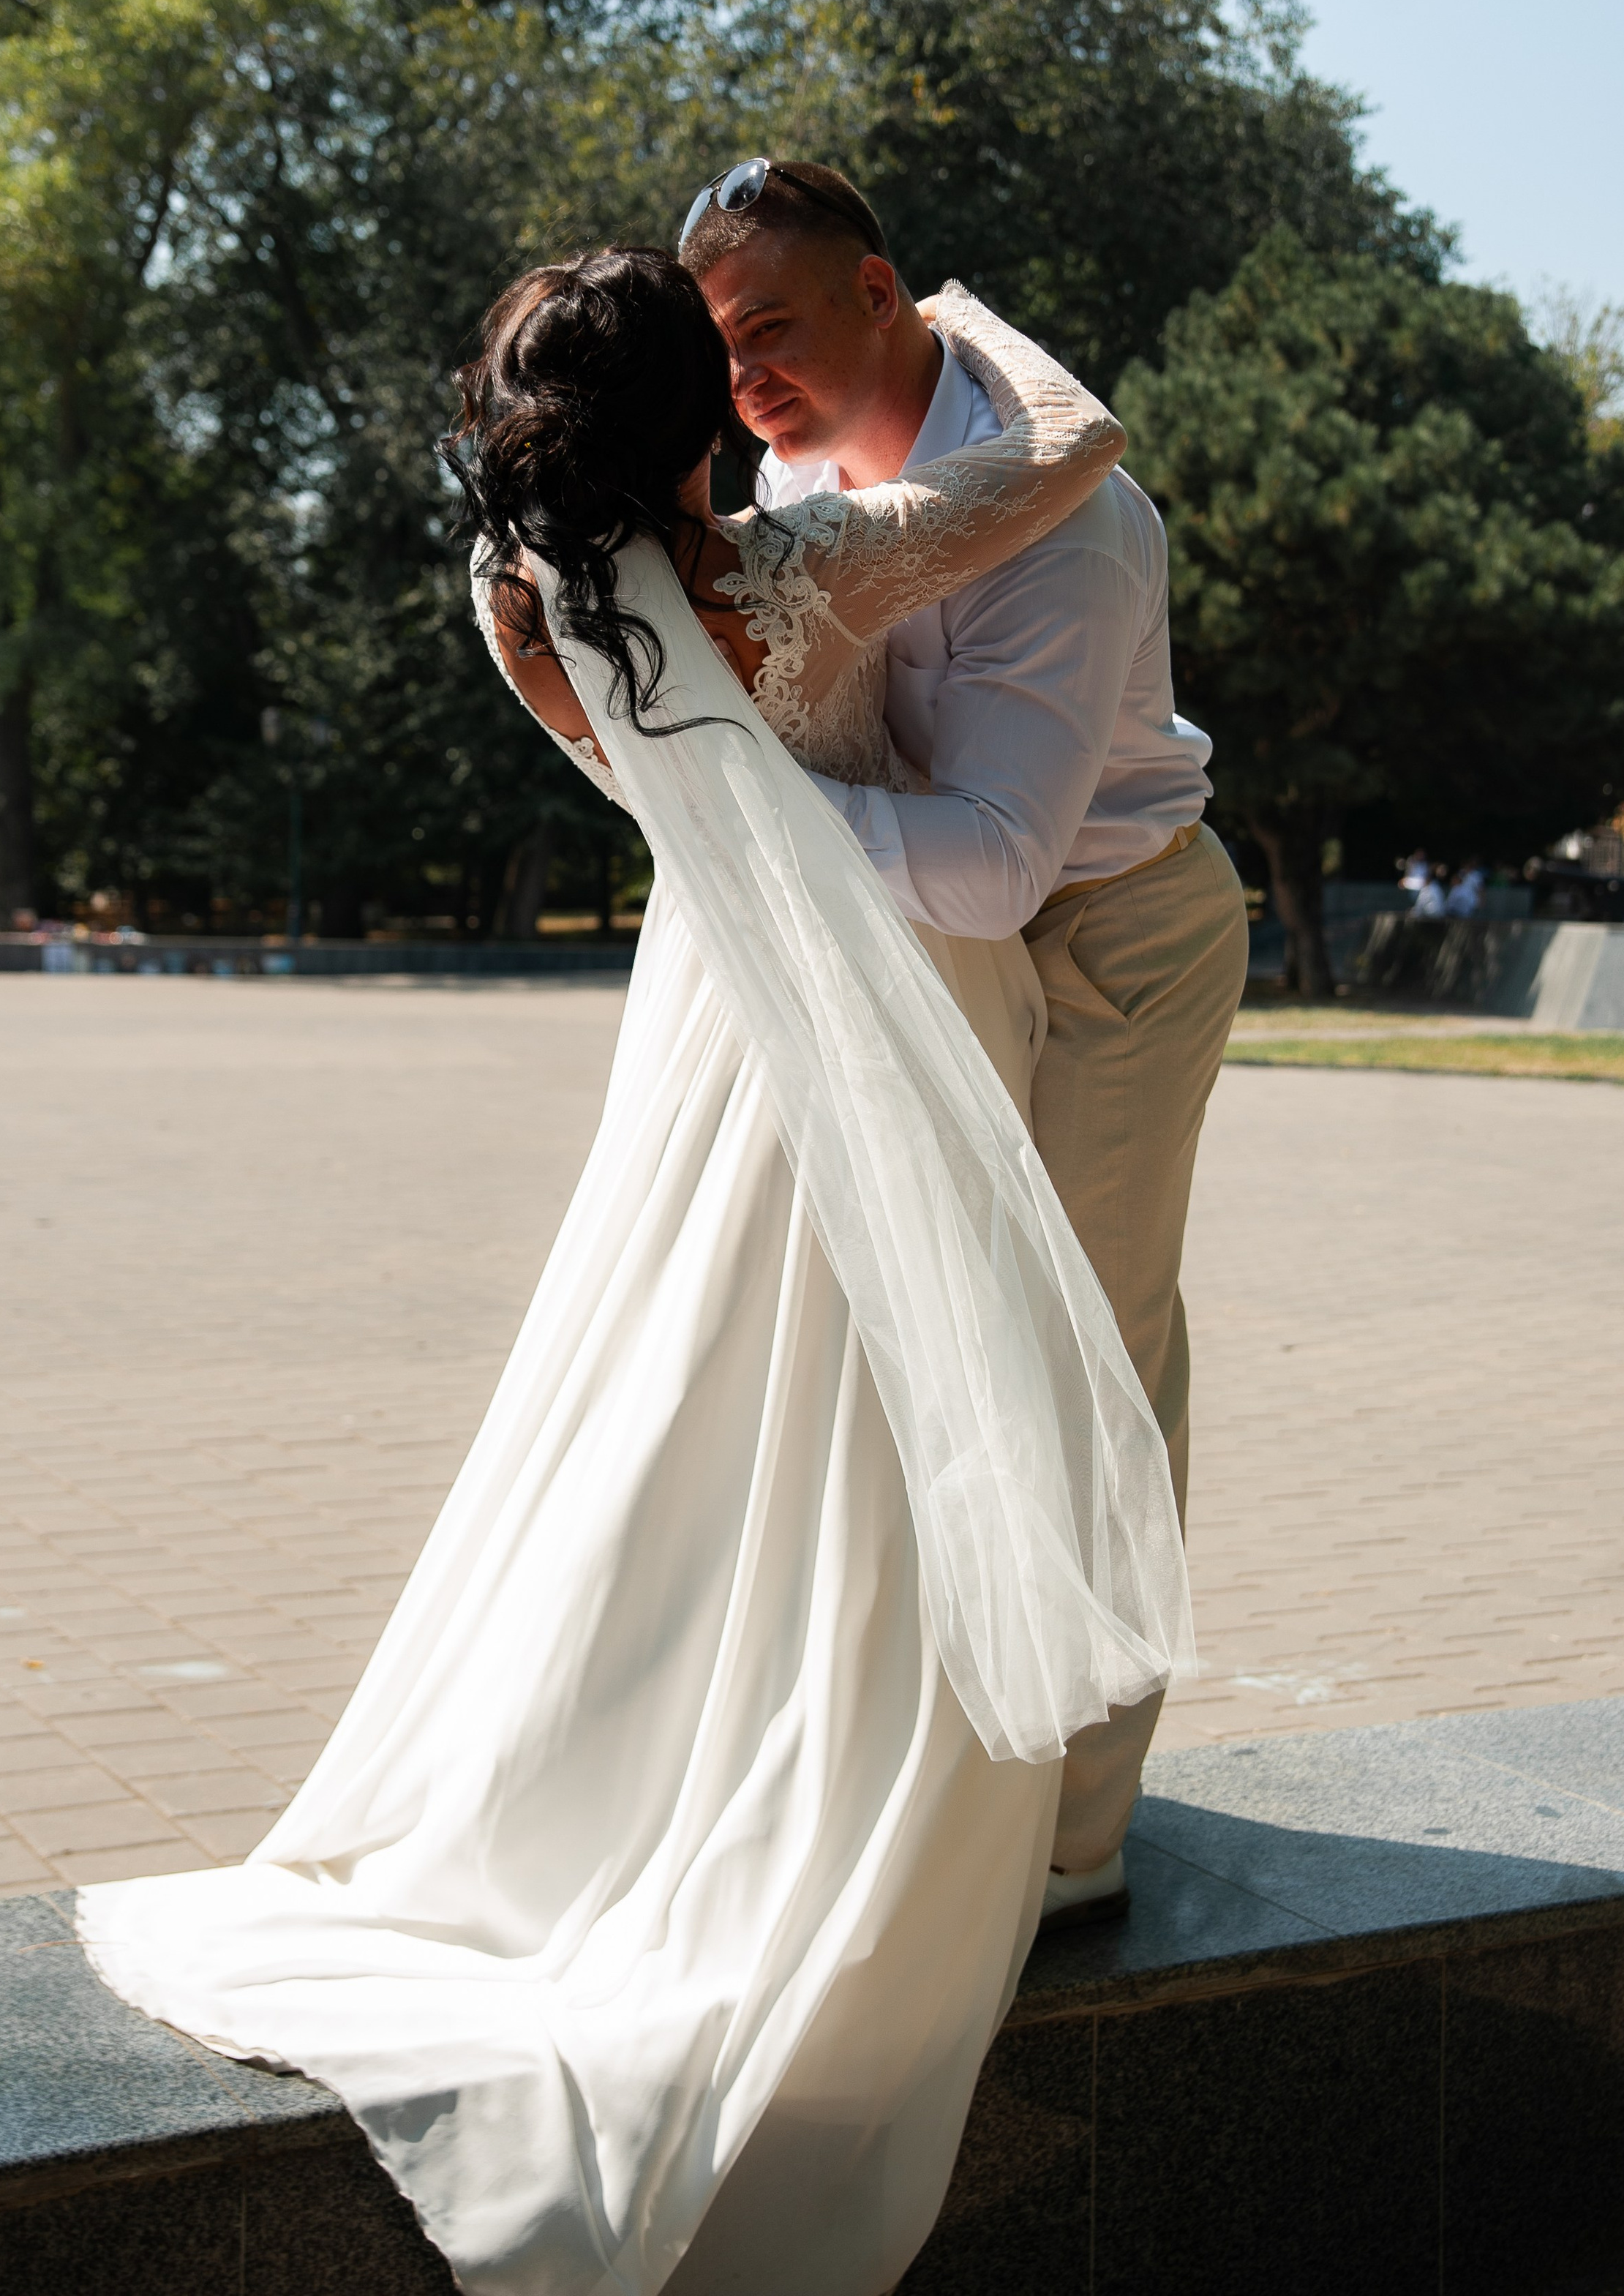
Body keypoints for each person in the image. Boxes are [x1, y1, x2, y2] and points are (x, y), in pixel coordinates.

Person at [79, 244, 1192, 2296]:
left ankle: (652, 1782)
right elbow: (1071, 451)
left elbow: (672, 803)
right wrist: (951, 313)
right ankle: (919, 1815)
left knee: (671, 1392)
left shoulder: (518, 605)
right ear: (698, 420)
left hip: (717, 1008)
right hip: (914, 1005)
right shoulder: (812, 571)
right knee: (891, 1403)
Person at [683, 161, 1249, 1927]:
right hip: (920, 946)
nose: (745, 376)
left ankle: (1075, 1827)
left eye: (768, 324)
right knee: (915, 1347)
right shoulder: (784, 475)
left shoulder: (1072, 520)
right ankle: (925, 1773)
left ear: (877, 290)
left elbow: (1002, 863)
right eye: (716, 347)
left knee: (1087, 1348)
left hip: (1113, 934)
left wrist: (741, 826)